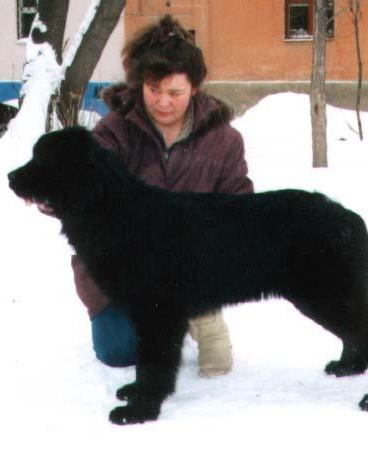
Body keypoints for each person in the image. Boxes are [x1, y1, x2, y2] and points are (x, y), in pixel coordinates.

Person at [71, 15, 254, 377]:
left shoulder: (223, 140)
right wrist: (51, 196)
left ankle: (201, 312)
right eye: (154, 89)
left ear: (195, 88)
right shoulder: (114, 132)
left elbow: (240, 209)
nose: (163, 102)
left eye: (175, 92)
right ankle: (179, 314)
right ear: (139, 84)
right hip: (124, 267)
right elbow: (82, 183)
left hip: (192, 265)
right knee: (121, 350)